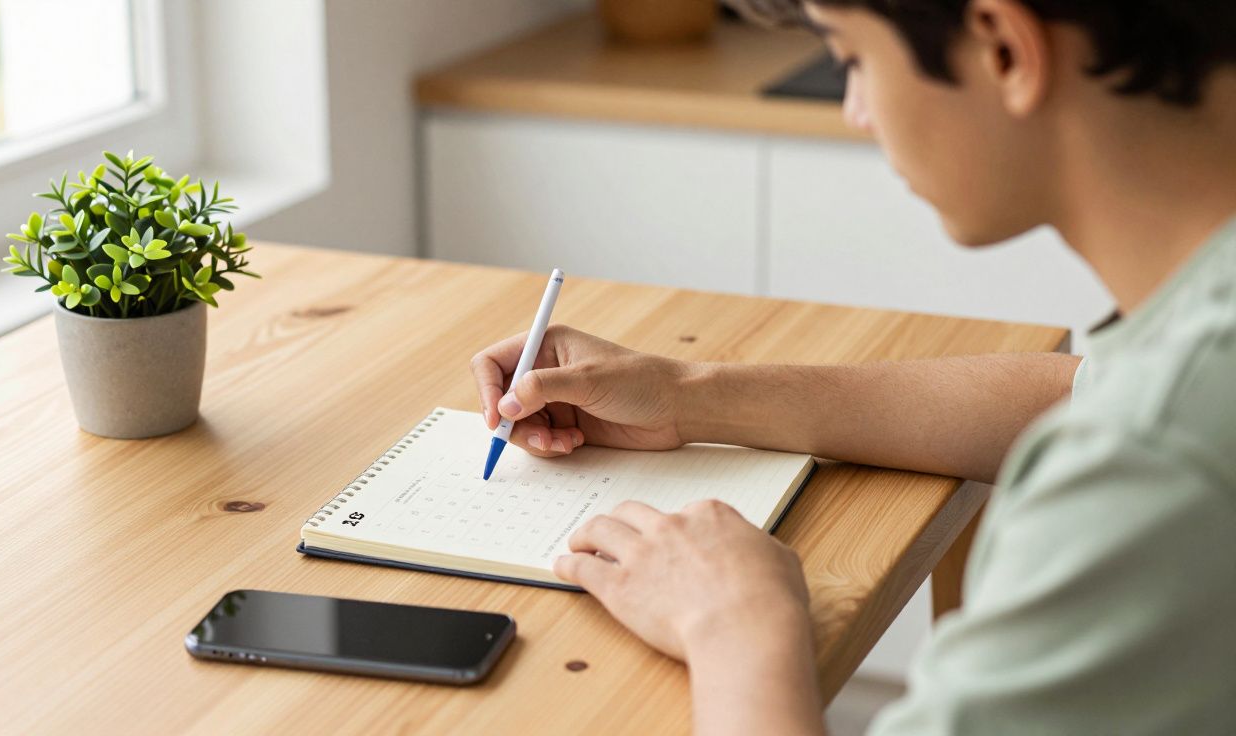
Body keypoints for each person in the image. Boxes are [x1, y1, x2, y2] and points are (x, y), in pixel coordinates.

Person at [470, 0, 1236, 733]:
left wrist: (739, 628)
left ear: (1004, 48)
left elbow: (1138, 429)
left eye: (853, 59)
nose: (856, 112)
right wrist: (686, 395)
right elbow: (1078, 396)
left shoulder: (1156, 460)